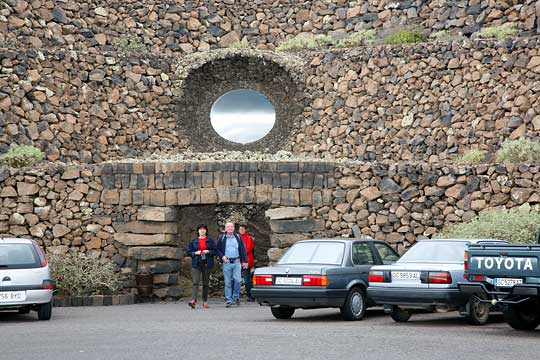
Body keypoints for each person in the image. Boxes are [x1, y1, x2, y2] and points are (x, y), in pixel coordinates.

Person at [216, 221, 248, 308]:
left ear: (234, 228)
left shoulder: (238, 237)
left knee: (238, 280)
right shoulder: (222, 238)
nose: (230, 228)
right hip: (227, 262)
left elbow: (242, 249)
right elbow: (217, 249)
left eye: (231, 226)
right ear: (225, 228)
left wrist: (245, 260)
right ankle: (229, 300)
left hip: (237, 261)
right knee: (228, 282)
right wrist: (222, 256)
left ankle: (236, 296)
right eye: (228, 226)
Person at [187, 224, 216, 309]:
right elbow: (189, 251)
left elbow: (215, 251)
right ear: (198, 231)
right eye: (200, 229)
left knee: (205, 283)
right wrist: (195, 253)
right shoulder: (193, 241)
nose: (202, 231)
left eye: (204, 229)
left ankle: (204, 301)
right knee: (195, 282)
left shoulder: (210, 240)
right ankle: (193, 300)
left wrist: (209, 251)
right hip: (196, 263)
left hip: (207, 263)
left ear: (206, 231)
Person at [238, 224, 255, 302]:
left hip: (246, 261)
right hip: (238, 261)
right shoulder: (237, 238)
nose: (241, 230)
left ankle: (251, 295)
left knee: (247, 279)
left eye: (242, 229)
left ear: (245, 230)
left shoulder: (249, 239)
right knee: (236, 278)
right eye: (240, 229)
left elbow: (247, 249)